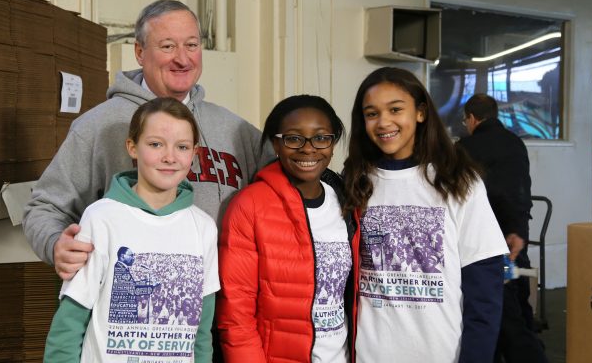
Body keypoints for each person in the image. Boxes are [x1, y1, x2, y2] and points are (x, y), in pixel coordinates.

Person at [23, 0, 273, 280]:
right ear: (140, 52)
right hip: (131, 306)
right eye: (168, 46)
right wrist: (56, 243)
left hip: (221, 305)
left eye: (191, 45)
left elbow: (288, 185)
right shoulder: (97, 127)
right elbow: (45, 207)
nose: (182, 58)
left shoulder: (235, 129)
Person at [342, 67, 508, 363]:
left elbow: (485, 287)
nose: (384, 122)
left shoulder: (458, 181)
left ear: (420, 113)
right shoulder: (356, 181)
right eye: (371, 114)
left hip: (443, 353)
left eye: (395, 109)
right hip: (370, 354)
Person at [44, 97, 219, 362]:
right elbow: (69, 324)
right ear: (132, 147)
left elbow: (202, 332)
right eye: (155, 144)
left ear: (194, 155)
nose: (169, 157)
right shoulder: (100, 218)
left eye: (181, 147)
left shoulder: (203, 227)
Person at [217, 95, 356, 362]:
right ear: (276, 144)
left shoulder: (346, 201)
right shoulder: (250, 205)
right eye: (294, 138)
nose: (308, 149)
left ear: (333, 143)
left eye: (321, 137)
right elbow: (236, 315)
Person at [457, 93, 547, 363]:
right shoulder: (516, 143)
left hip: (483, 243)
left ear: (472, 119)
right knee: (518, 309)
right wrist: (519, 231)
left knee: (500, 318)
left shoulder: (465, 148)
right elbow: (520, 190)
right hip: (515, 239)